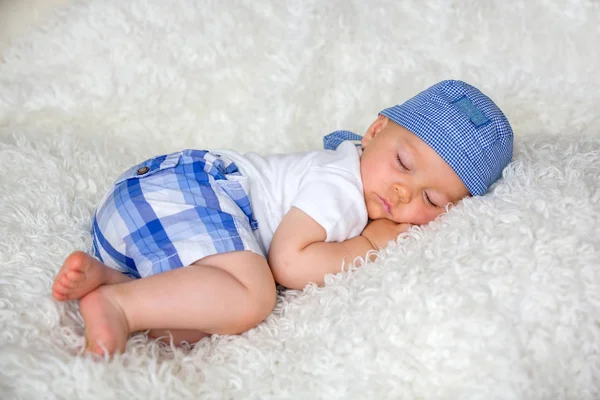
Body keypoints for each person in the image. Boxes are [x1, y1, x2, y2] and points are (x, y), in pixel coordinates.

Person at [51, 80, 514, 356]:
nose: (402, 192)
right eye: (404, 165)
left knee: (200, 324)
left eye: (430, 200)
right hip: (184, 190)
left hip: (144, 224)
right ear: (374, 132)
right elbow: (290, 264)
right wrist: (370, 247)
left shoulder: (360, 182)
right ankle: (120, 306)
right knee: (252, 297)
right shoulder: (343, 183)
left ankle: (115, 283)